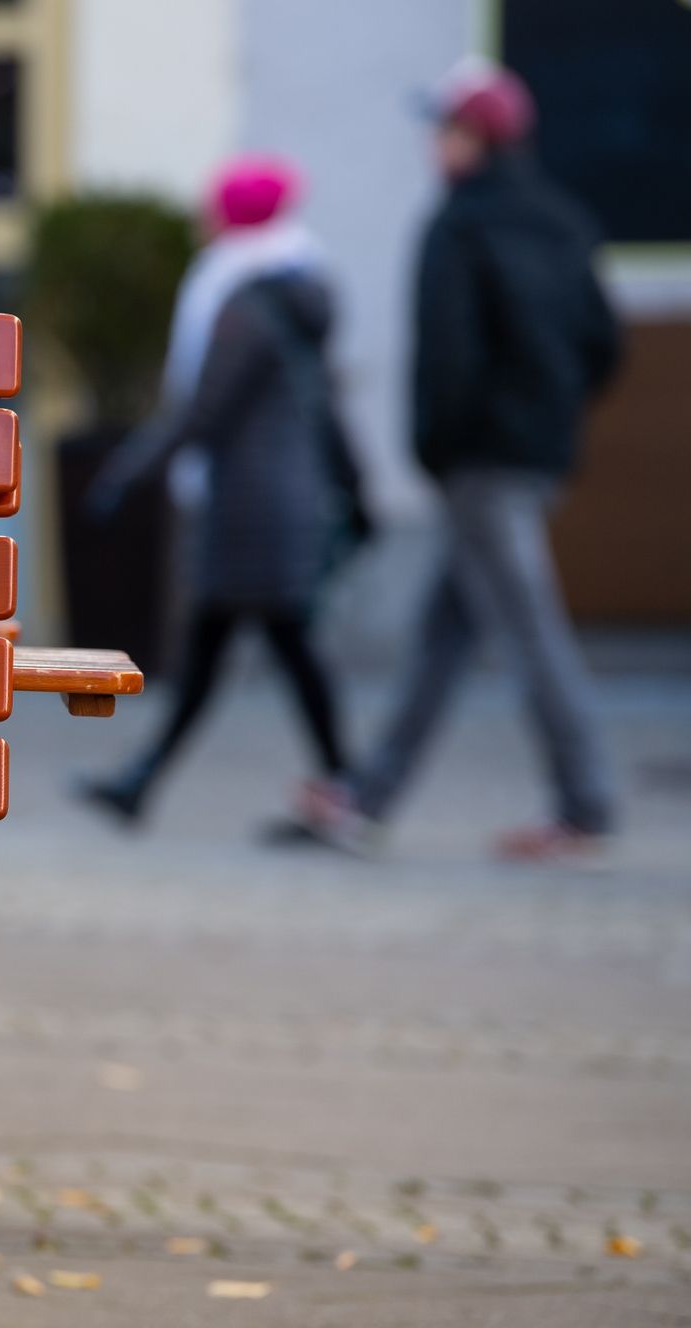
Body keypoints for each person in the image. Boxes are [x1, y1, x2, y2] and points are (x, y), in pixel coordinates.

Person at [301, 60, 620, 861]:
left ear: (476, 137)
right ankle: (368, 798)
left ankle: (587, 804)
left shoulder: (460, 223)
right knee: (446, 631)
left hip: (481, 463)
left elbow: (446, 356)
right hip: (538, 458)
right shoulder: (564, 220)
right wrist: (550, 417)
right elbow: (603, 344)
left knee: (529, 628)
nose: (431, 143)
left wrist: (434, 449)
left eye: (443, 127)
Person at [78, 155, 363, 825]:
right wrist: (357, 489)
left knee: (269, 648)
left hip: (247, 507)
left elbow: (201, 413)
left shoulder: (243, 301)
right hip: (282, 499)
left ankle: (345, 782)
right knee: (235, 649)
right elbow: (326, 403)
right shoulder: (300, 291)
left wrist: (125, 474)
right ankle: (142, 782)